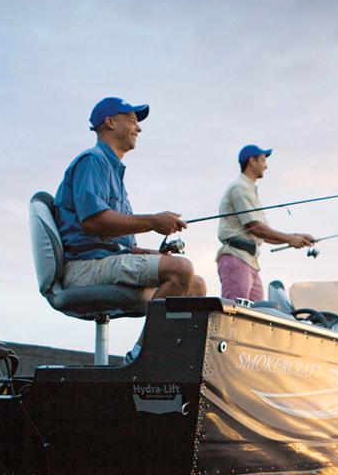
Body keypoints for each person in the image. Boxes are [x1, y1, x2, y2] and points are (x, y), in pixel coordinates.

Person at [54, 96, 206, 358]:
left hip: (106, 260)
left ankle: (172, 360)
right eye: (133, 120)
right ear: (110, 122)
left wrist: (149, 254)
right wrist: (153, 222)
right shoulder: (93, 161)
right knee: (181, 270)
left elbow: (120, 242)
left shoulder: (114, 172)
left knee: (196, 286)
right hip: (83, 266)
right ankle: (142, 356)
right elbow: (94, 221)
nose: (139, 128)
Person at [216, 144, 314, 302]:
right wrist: (290, 239)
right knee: (234, 315)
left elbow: (264, 235)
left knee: (257, 313)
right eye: (263, 160)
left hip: (250, 261)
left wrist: (296, 237)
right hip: (236, 258)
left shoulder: (248, 189)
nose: (266, 165)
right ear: (252, 161)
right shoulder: (240, 188)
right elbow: (255, 227)